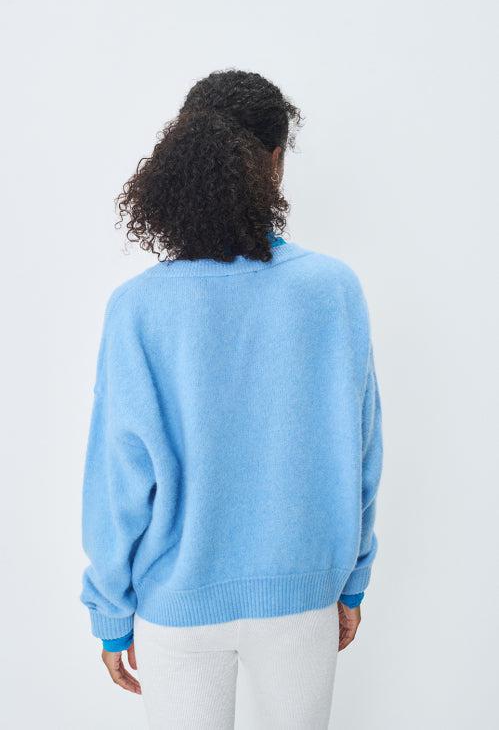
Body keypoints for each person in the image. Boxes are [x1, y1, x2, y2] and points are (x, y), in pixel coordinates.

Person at [80, 69, 383, 729]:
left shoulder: (137, 308)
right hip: (301, 598)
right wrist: (353, 578)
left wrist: (109, 611)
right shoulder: (332, 290)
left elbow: (118, 477)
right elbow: (360, 450)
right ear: (275, 162)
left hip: (175, 606)